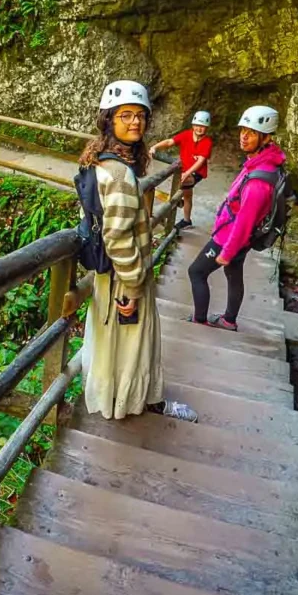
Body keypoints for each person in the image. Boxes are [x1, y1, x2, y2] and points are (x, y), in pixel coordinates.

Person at [78, 80, 197, 422]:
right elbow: (117, 235)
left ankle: (121, 398)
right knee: (134, 345)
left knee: (116, 343)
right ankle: (139, 403)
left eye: (140, 116)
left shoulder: (101, 161)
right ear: (109, 120)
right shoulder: (117, 174)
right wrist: (132, 284)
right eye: (125, 115)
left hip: (112, 275)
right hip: (124, 278)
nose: (135, 122)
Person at [187, 105, 285, 331]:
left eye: (251, 133)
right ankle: (229, 320)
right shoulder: (263, 161)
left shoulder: (258, 182)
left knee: (197, 272)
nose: (244, 136)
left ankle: (199, 320)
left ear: (266, 137)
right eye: (243, 130)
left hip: (229, 237)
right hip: (242, 238)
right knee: (233, 273)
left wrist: (227, 252)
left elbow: (244, 221)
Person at [149, 111, 213, 229]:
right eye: (197, 125)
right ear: (193, 125)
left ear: (207, 127)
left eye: (203, 126)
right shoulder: (186, 135)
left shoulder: (207, 142)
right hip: (184, 169)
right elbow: (169, 142)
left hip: (196, 172)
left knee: (183, 184)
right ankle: (186, 219)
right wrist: (155, 147)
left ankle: (172, 206)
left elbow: (200, 162)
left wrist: (187, 173)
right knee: (187, 194)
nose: (199, 128)